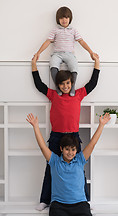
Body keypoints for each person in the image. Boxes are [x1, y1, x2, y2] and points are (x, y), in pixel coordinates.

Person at [32, 54, 100, 211]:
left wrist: (97, 63)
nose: (65, 86)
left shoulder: (78, 94)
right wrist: (34, 66)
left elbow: (93, 83)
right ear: (58, 85)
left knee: (78, 169)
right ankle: (45, 200)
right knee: (51, 169)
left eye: (68, 83)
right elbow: (39, 85)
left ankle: (85, 199)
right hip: (57, 136)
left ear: (72, 83)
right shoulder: (53, 95)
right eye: (62, 84)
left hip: (73, 136)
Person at [26, 112, 110, 216]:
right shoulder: (54, 161)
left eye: (73, 150)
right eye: (67, 149)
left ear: (76, 150)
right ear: (61, 149)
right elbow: (43, 147)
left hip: (80, 204)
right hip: (59, 206)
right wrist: (35, 127)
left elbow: (92, 144)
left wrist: (101, 125)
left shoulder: (80, 159)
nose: (70, 153)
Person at [34, 6, 98, 96]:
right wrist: (38, 52)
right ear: (58, 19)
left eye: (66, 17)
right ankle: (57, 87)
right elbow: (47, 41)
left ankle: (72, 87)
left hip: (69, 54)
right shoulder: (55, 30)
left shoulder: (73, 30)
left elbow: (81, 41)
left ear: (70, 18)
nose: (64, 20)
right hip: (57, 54)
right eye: (61, 18)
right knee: (53, 66)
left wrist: (91, 52)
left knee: (74, 67)